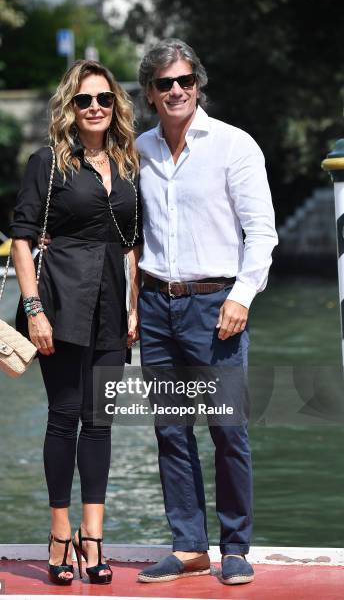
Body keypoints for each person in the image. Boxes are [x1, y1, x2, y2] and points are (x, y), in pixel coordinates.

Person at [135, 39, 278, 585]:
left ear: (198, 85)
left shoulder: (233, 145)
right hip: (154, 305)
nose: (177, 91)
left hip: (216, 305)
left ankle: (236, 547)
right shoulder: (140, 150)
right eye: (166, 83)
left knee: (228, 430)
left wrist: (241, 296)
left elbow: (261, 233)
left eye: (186, 81)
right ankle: (189, 547)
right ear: (150, 92)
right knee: (171, 431)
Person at [9, 60, 141, 586]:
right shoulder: (48, 163)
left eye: (104, 99)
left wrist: (133, 305)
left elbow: (133, 243)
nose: (94, 108)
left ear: (116, 106)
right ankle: (60, 533)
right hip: (59, 303)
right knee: (64, 416)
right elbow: (22, 237)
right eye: (85, 99)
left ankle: (94, 535)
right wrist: (34, 307)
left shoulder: (128, 165)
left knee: (101, 422)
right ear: (70, 106)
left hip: (114, 304)